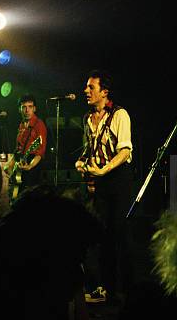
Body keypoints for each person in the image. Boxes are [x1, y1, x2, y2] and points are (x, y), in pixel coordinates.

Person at [74, 69, 133, 304]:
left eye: (91, 87)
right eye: (87, 87)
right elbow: (90, 150)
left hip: (119, 180)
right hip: (100, 181)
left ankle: (128, 290)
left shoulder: (120, 115)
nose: (86, 91)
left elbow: (125, 151)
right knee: (103, 237)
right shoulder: (88, 119)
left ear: (104, 92)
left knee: (121, 234)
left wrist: (104, 170)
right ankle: (106, 288)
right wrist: (82, 163)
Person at [4, 94, 47, 199]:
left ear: (34, 109)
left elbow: (40, 152)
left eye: (30, 107)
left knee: (29, 198)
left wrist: (30, 166)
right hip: (21, 163)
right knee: (18, 198)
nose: (27, 110)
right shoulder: (21, 125)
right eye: (24, 107)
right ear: (19, 109)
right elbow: (18, 148)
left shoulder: (39, 125)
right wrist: (10, 165)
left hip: (33, 165)